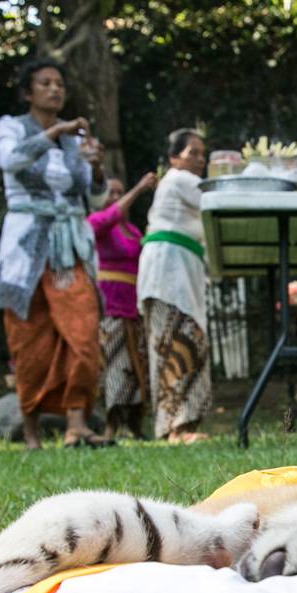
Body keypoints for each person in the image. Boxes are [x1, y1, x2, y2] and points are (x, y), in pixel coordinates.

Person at [0, 58, 110, 450]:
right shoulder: (11, 127)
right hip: (25, 252)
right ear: (28, 92)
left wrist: (95, 170)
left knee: (84, 334)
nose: (55, 90)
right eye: (45, 83)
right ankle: (31, 430)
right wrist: (55, 131)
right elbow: (10, 160)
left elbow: (94, 199)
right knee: (29, 340)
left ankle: (77, 421)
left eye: (59, 83)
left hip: (69, 250)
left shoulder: (75, 144)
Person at [137, 128, 212, 443]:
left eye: (201, 153)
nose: (199, 158)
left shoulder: (185, 185)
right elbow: (215, 200)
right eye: (191, 152)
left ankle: (184, 425)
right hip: (167, 267)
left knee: (188, 338)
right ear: (173, 158)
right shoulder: (179, 180)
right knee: (172, 341)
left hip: (182, 266)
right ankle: (173, 428)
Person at [88, 171, 157, 441]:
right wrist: (139, 188)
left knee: (133, 366)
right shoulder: (97, 223)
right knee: (112, 366)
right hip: (109, 306)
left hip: (132, 307)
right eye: (111, 192)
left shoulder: (134, 232)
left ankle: (134, 423)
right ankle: (109, 425)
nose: (116, 197)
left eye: (120, 191)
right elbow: (107, 218)